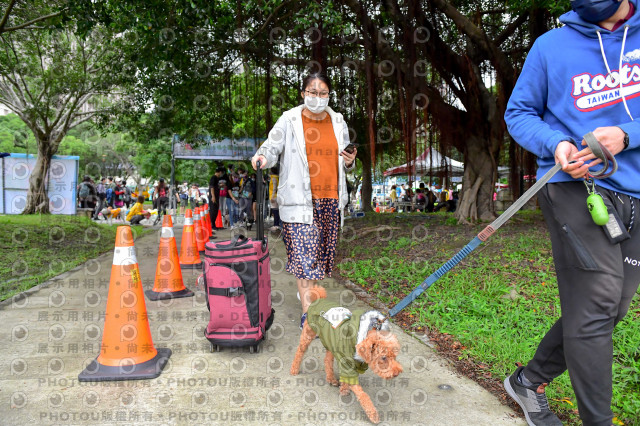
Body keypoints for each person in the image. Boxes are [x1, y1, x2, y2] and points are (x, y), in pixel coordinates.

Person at [504, 1, 640, 425]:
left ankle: (529, 380)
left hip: (636, 192)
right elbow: (519, 113)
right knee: (598, 303)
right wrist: (557, 145)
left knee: (613, 307)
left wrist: (626, 134)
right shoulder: (550, 46)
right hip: (574, 188)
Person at [251, 72, 357, 329]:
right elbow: (272, 146)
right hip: (300, 200)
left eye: (323, 94)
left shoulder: (338, 120)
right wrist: (262, 157)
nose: (317, 98)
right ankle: (309, 315)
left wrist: (350, 162)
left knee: (319, 259)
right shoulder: (289, 119)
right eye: (312, 92)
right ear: (303, 93)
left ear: (329, 95)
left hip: (331, 198)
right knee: (305, 257)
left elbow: (346, 161)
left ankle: (309, 296)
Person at [208, 166, 228, 233]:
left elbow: (216, 187)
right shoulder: (213, 177)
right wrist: (213, 196)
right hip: (213, 197)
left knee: (216, 210)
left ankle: (214, 224)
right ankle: (212, 225)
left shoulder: (217, 178)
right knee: (213, 211)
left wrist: (220, 186)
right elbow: (212, 187)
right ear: (219, 172)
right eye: (221, 173)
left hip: (217, 196)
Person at [269, 166, 282, 231]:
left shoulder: (273, 178)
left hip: (274, 196)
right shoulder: (277, 177)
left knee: (275, 211)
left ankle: (276, 225)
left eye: (270, 171)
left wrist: (272, 197)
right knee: (276, 211)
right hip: (276, 196)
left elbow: (274, 188)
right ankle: (276, 224)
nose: (269, 172)